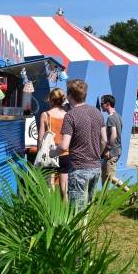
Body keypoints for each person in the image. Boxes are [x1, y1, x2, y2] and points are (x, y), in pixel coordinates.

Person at [58, 79, 106, 210]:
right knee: (87, 208)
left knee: (76, 211)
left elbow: (64, 146)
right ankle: (84, 230)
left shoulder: (70, 115)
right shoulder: (97, 113)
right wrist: (96, 155)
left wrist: (52, 152)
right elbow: (104, 140)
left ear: (69, 95)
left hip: (79, 169)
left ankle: (78, 231)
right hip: (96, 167)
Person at [100, 95, 137, 202]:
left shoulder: (111, 118)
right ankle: (103, 198)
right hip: (117, 149)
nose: (101, 106)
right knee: (104, 175)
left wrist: (107, 149)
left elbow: (114, 135)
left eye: (102, 103)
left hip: (112, 151)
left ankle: (130, 192)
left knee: (110, 177)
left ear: (107, 104)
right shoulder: (118, 116)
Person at [38, 88, 69, 201]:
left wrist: (39, 153)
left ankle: (50, 214)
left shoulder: (45, 115)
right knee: (64, 189)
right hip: (65, 153)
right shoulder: (67, 115)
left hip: (50, 154)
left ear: (51, 100)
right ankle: (66, 215)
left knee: (49, 187)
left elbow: (40, 138)